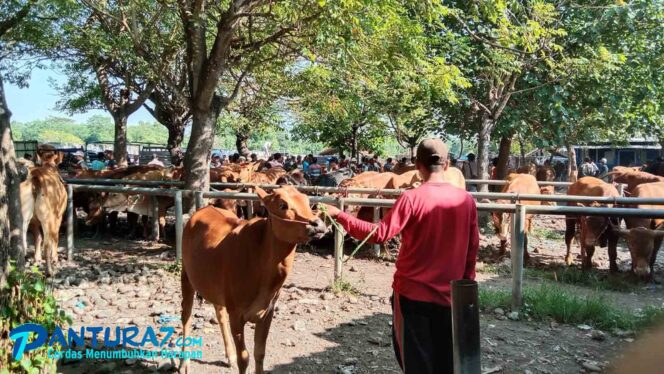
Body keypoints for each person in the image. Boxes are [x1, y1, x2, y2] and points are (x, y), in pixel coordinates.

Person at [324, 139, 479, 374]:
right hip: (451, 298)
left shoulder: (411, 198)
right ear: (447, 165)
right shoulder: (466, 200)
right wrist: (465, 288)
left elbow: (379, 234)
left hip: (412, 296)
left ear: (417, 165)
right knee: (446, 362)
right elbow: (472, 248)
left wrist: (340, 215)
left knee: (416, 363)